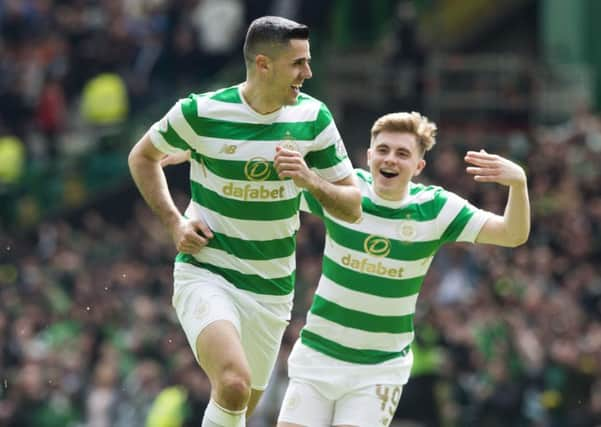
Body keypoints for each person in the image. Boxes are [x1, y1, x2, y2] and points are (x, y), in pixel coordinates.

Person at [127, 16, 362, 427]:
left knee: (239, 409)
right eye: (298, 64)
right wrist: (174, 223)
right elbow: (142, 157)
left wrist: (308, 179)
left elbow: (351, 207)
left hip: (271, 290)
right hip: (208, 271)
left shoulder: (314, 118)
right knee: (233, 384)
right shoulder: (200, 112)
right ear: (263, 64)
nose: (308, 73)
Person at [277, 111, 531, 427]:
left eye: (402, 154)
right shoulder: (345, 190)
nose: (390, 160)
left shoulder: (436, 208)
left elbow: (512, 233)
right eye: (383, 150)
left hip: (377, 371)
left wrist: (518, 183)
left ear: (418, 166)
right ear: (369, 156)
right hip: (317, 355)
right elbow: (272, 192)